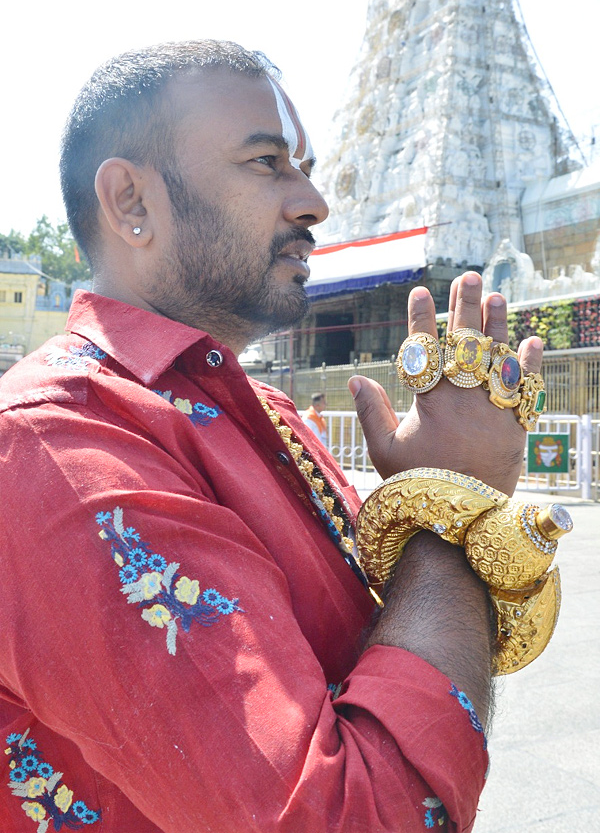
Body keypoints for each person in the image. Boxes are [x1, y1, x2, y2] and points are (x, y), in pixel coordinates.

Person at [0, 41, 543, 833]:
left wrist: (436, 503)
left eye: (308, 166)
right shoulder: (56, 447)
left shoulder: (272, 417)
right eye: (267, 162)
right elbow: (353, 818)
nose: (315, 201)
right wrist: (445, 516)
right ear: (130, 203)